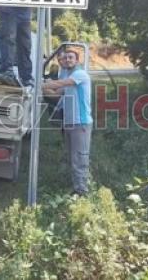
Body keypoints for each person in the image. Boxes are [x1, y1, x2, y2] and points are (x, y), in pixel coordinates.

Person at [42, 50, 93, 195]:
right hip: (69, 123)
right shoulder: (70, 78)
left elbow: (61, 83)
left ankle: (82, 192)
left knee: (80, 158)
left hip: (81, 123)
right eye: (65, 58)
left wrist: (42, 83)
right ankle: (76, 187)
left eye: (71, 57)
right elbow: (56, 94)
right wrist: (40, 89)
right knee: (73, 157)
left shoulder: (79, 75)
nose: (68, 60)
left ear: (77, 61)